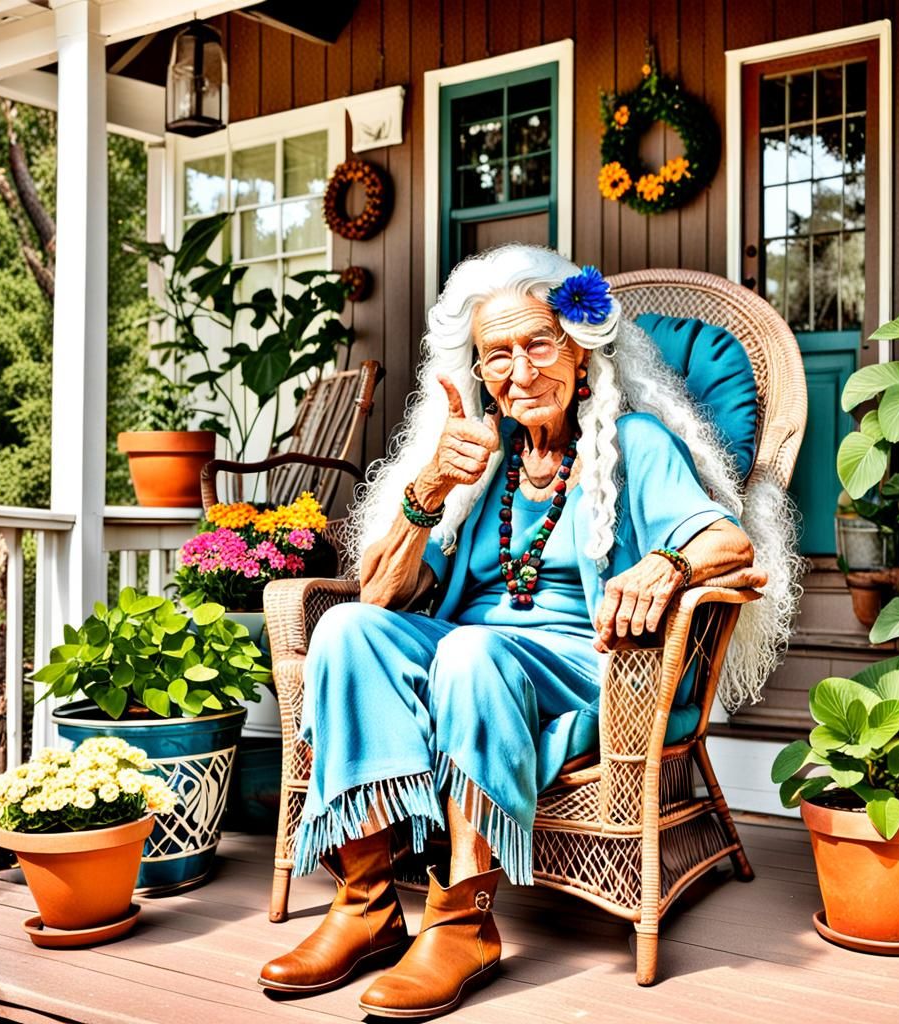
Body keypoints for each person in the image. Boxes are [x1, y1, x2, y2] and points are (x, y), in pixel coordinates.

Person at [258, 245, 776, 1019]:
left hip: (580, 666)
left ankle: (463, 919)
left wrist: (664, 563)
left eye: (538, 343)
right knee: (346, 633)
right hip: (464, 658)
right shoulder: (479, 462)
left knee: (470, 649)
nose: (521, 370)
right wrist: (430, 485)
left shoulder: (634, 443)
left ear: (580, 349)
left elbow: (729, 544)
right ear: (476, 370)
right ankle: (365, 904)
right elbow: (380, 590)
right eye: (497, 353)